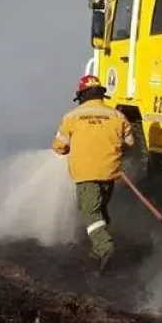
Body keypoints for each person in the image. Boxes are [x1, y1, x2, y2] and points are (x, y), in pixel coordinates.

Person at [52, 74, 135, 273]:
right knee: (100, 209)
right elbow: (130, 144)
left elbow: (60, 146)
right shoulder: (117, 116)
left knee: (90, 212)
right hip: (109, 174)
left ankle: (104, 247)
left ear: (81, 96)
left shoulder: (71, 117)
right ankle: (99, 250)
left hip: (86, 174)